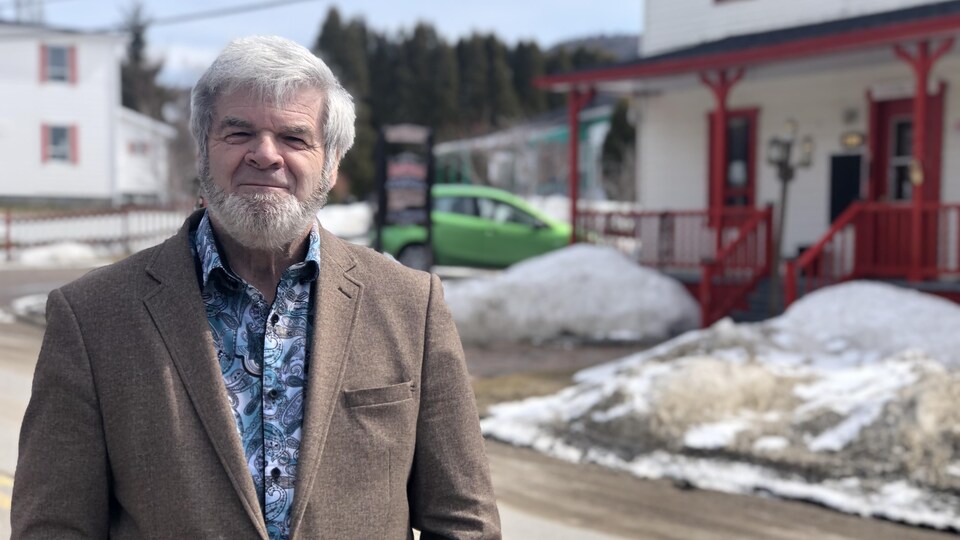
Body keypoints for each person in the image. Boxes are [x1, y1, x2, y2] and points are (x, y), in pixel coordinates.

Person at [12, 35, 501, 539]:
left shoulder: (409, 305)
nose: (265, 155)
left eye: (293, 137)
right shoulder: (93, 315)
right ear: (203, 150)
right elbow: (53, 526)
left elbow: (463, 522)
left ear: (331, 163)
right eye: (239, 132)